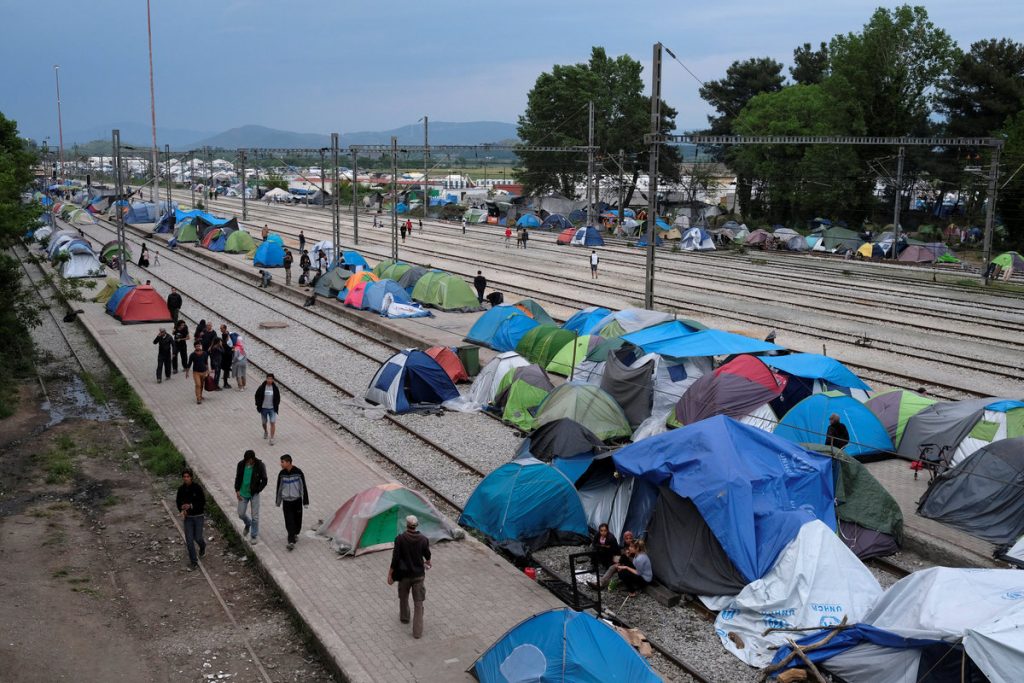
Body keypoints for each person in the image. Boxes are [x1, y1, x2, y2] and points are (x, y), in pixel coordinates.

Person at [387, 515, 432, 639]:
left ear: (406, 525)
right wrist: (428, 561)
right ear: (416, 525)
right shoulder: (423, 539)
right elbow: (427, 555)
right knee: (418, 603)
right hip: (418, 575)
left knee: (403, 596)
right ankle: (417, 632)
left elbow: (395, 559)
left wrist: (390, 573)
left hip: (404, 575)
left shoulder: (400, 539)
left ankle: (405, 617)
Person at [176, 468, 207, 571]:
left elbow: (202, 502)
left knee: (198, 538)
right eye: (184, 477)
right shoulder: (181, 489)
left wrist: (191, 506)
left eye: (188, 477)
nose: (186, 479)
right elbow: (178, 502)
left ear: (191, 477)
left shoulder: (197, 488)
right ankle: (193, 561)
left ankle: (202, 546)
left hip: (198, 516)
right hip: (188, 518)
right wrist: (182, 508)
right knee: (189, 541)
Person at [275, 454, 309, 550]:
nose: (281, 464)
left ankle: (295, 533)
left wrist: (305, 501)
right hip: (286, 502)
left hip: (297, 500)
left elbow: (303, 487)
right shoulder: (282, 474)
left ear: (289, 462)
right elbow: (279, 488)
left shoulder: (298, 472)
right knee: (289, 520)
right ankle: (291, 541)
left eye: (282, 462)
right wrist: (278, 501)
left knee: (298, 520)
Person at [234, 449, 268, 545]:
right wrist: (237, 490)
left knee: (255, 516)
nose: (247, 463)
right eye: (246, 461)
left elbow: (264, 480)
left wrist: (258, 490)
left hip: (254, 494)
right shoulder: (241, 464)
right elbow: (238, 477)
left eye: (249, 461)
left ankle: (253, 535)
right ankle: (248, 523)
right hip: (243, 493)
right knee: (240, 513)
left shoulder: (260, 466)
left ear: (252, 459)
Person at [255, 374, 280, 445]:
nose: (269, 380)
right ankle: (266, 431)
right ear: (266, 379)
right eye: (268, 379)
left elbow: (278, 397)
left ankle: (271, 438)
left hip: (272, 409)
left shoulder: (275, 388)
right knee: (264, 422)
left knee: (272, 422)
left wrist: (276, 404)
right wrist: (257, 404)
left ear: (273, 380)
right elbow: (256, 395)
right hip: (263, 409)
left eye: (271, 379)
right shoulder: (262, 387)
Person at [219, 324, 233, 388]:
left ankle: (225, 383)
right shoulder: (225, 334)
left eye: (221, 328)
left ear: (225, 328)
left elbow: (225, 344)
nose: (220, 330)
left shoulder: (226, 335)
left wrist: (222, 344)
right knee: (226, 369)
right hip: (226, 355)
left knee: (226, 369)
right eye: (220, 328)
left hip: (227, 355)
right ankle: (225, 383)